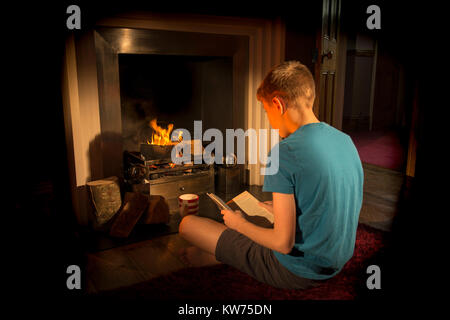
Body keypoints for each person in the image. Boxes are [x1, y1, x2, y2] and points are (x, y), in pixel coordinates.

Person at [178, 60, 363, 289]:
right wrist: (280, 212)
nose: (269, 120)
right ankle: (216, 255)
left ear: (278, 104)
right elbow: (332, 202)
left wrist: (239, 224)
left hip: (298, 270)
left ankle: (214, 256)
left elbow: (283, 244)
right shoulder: (345, 140)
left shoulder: (284, 152)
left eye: (266, 111)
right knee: (263, 222)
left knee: (188, 225)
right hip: (336, 262)